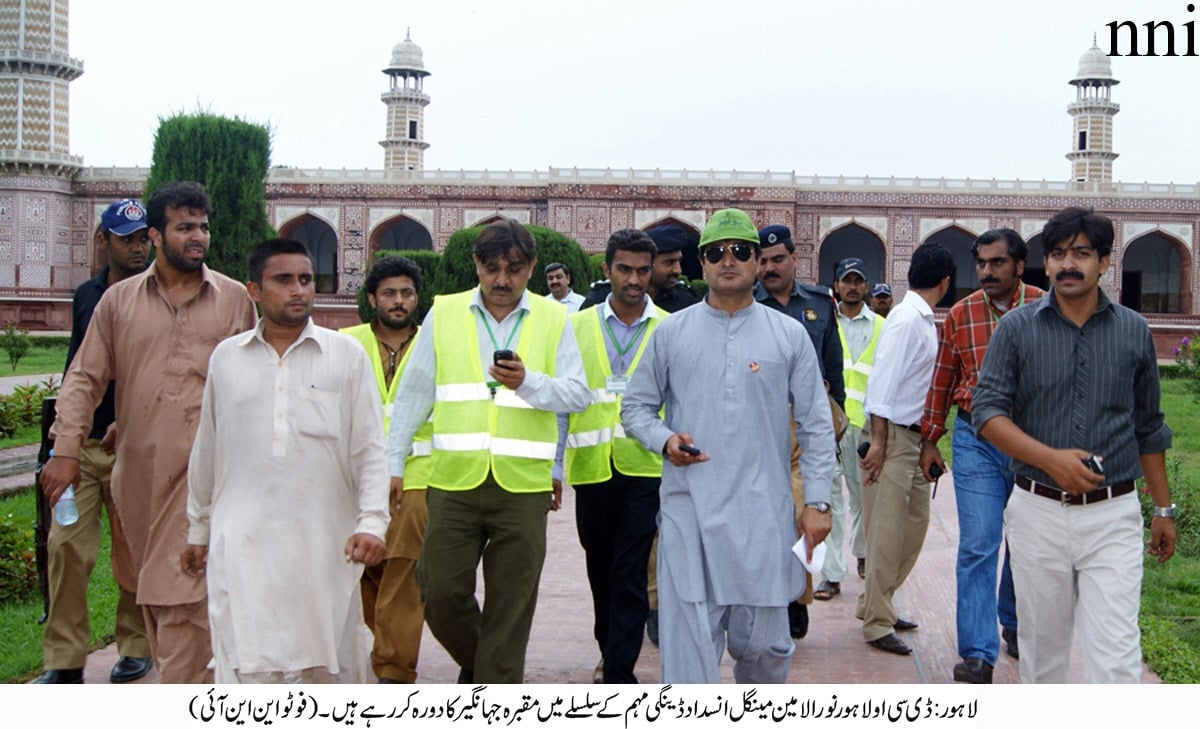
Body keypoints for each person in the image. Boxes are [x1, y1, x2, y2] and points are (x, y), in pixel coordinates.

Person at [40, 181, 257, 683]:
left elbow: (255, 382)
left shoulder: (231, 301)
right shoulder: (117, 304)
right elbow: (85, 378)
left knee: (181, 596)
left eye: (203, 226)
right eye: (185, 227)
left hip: (205, 476)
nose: (197, 236)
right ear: (157, 235)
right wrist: (66, 448)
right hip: (136, 475)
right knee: (151, 597)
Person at [621, 208, 835, 683]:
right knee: (688, 656)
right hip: (690, 512)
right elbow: (635, 409)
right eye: (716, 252)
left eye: (741, 251)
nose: (728, 260)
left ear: (758, 262)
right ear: (702, 264)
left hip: (763, 515)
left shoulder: (789, 335)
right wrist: (665, 438)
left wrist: (818, 502)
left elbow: (817, 424)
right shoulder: (671, 334)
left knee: (766, 649)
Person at [973, 207, 1176, 684]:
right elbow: (987, 413)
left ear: (1105, 262)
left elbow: (1149, 427)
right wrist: (1049, 460)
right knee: (1043, 662)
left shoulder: (1133, 330)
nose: (1069, 264)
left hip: (1112, 515)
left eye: (1082, 254)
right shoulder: (1018, 330)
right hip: (1038, 511)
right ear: (1045, 262)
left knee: (1117, 661)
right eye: (1059, 254)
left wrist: (1163, 510)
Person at [387, 218, 590, 683]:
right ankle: (488, 669)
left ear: (532, 267)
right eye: (492, 267)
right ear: (476, 265)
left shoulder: (555, 317)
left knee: (512, 603)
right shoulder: (445, 312)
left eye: (515, 268)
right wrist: (393, 462)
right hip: (454, 482)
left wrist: (529, 382)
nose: (503, 280)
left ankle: (493, 689)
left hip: (522, 486)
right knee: (437, 590)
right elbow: (414, 393)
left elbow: (578, 395)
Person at [182, 239, 387, 683]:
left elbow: (369, 447)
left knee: (329, 662)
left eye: (306, 279)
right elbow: (208, 450)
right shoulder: (227, 358)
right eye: (283, 280)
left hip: (323, 542)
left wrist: (372, 523)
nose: (298, 290)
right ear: (254, 290)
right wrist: (198, 527)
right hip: (243, 543)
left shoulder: (345, 356)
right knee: (245, 661)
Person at [33, 200, 153, 685]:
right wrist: (57, 444)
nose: (137, 247)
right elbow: (76, 372)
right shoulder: (88, 295)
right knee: (67, 549)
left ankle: (136, 645)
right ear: (104, 241)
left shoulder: (157, 295)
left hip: (136, 444)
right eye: (127, 239)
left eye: (143, 237)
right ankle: (63, 660)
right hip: (84, 447)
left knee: (134, 552)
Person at [919, 228, 1045, 683]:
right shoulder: (961, 313)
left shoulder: (1044, 307)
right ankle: (977, 653)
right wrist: (931, 438)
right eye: (981, 264)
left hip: (1032, 442)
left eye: (997, 263)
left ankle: (1013, 622)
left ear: (1019, 264)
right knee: (979, 543)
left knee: (1026, 540)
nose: (987, 272)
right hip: (976, 438)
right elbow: (943, 377)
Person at [563, 229, 666, 683]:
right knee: (600, 568)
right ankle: (609, 646)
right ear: (606, 270)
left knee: (629, 569)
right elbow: (564, 401)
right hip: (591, 467)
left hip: (645, 468)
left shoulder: (669, 328)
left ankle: (620, 670)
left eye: (643, 270)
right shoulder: (577, 326)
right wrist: (552, 467)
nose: (634, 279)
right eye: (624, 268)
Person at [858, 242, 953, 656]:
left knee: (913, 527)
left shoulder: (921, 318)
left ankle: (877, 600)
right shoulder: (905, 319)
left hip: (913, 437)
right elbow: (882, 382)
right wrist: (878, 442)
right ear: (946, 282)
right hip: (890, 435)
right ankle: (877, 621)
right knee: (887, 532)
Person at [340, 254, 432, 683]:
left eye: (407, 293)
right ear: (372, 297)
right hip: (355, 477)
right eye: (390, 293)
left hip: (418, 474)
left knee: (402, 567)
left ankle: (395, 669)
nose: (399, 301)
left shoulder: (434, 343)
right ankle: (387, 645)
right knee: (363, 570)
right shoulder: (345, 342)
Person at [752, 224, 844, 636]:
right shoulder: (747, 304)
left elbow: (833, 364)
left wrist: (834, 416)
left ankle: (796, 596)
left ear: (794, 259)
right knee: (762, 515)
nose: (769, 268)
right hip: (762, 420)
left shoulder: (820, 303)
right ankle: (763, 594)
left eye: (777, 259)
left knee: (803, 510)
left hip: (807, 421)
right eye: (763, 261)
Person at [826, 257, 884, 594]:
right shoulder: (825, 323)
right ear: (836, 285)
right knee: (830, 498)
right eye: (845, 280)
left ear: (866, 286)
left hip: (865, 426)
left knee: (864, 497)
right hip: (830, 423)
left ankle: (861, 553)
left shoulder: (881, 326)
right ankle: (831, 573)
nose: (851, 286)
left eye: (857, 281)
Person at [581, 223, 699, 313]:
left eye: (679, 262)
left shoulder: (685, 302)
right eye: (669, 263)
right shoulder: (602, 298)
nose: (678, 270)